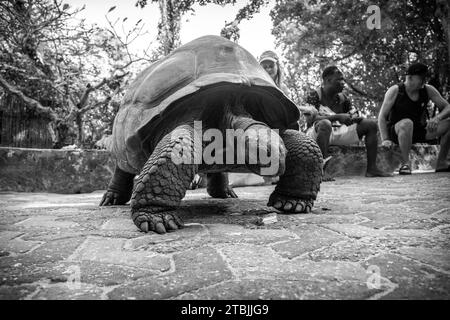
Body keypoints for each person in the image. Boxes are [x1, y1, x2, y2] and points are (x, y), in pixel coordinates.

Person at [303, 65, 391, 180]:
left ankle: (372, 169)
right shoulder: (314, 95)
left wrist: (355, 118)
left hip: (338, 132)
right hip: (316, 133)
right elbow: (310, 120)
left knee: (370, 125)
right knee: (325, 124)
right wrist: (337, 117)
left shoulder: (343, 98)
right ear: (328, 80)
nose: (343, 82)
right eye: (339, 79)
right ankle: (320, 171)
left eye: (343, 79)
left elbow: (351, 114)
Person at [378, 62, 450, 174]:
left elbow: (447, 107)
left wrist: (437, 118)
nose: (424, 80)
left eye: (425, 77)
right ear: (410, 77)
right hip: (397, 132)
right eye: (421, 77)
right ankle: (405, 164)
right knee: (407, 123)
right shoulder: (396, 90)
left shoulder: (428, 89)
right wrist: (385, 140)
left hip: (418, 131)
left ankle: (441, 163)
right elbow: (382, 117)